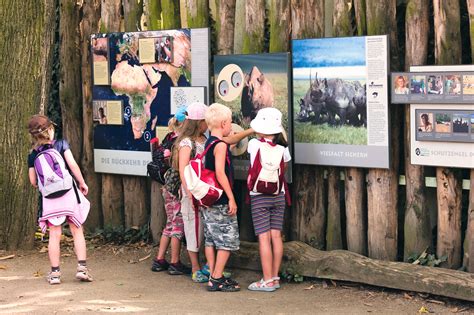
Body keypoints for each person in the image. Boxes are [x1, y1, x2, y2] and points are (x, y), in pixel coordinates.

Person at [27, 115, 92, 285]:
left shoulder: (33, 155)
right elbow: (72, 165)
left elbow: (33, 181)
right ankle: (82, 269)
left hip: (50, 199)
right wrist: (82, 182)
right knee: (77, 229)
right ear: (50, 129)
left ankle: (55, 274)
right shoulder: (61, 144)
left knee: (54, 235)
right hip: (68, 194)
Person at [246, 108, 291, 292]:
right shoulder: (283, 149)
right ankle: (275, 277)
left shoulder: (253, 145)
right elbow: (284, 168)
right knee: (276, 236)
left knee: (263, 238)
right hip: (278, 195)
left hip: (259, 197)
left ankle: (266, 281)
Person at [202, 103, 241, 292]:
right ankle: (217, 278)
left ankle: (212, 275)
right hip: (221, 200)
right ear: (224, 123)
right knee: (227, 239)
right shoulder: (221, 146)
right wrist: (231, 198)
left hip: (209, 200)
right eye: (230, 122)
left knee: (211, 238)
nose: (231, 125)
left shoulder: (209, 143)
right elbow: (220, 173)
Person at [172, 102, 210, 281]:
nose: (208, 124)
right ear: (198, 122)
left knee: (205, 228)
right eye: (205, 121)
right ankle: (195, 267)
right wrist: (188, 192)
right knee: (193, 227)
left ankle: (205, 264)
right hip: (192, 193)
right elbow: (183, 169)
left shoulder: (204, 139)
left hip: (205, 191)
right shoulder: (187, 143)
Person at [151, 112, 187, 275]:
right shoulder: (181, 143)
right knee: (177, 225)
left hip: (167, 186)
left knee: (170, 224)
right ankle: (174, 262)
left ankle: (159, 259)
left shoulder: (168, 138)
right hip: (176, 188)